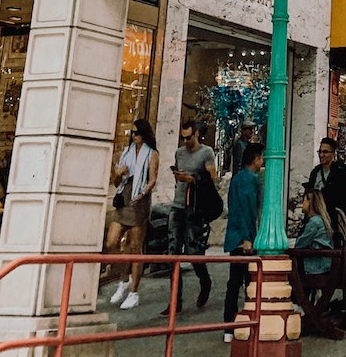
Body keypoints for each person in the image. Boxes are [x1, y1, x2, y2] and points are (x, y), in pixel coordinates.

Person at [107, 118, 160, 310]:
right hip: (124, 195)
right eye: (132, 133)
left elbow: (153, 179)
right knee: (112, 242)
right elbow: (115, 182)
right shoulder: (126, 154)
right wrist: (119, 173)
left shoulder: (152, 154)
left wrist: (143, 193)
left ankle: (133, 291)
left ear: (144, 134)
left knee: (135, 246)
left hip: (139, 199)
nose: (133, 136)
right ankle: (123, 278)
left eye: (136, 133)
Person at [169, 120, 217, 309]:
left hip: (195, 208)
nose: (186, 141)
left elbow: (211, 178)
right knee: (173, 254)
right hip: (178, 204)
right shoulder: (179, 153)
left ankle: (204, 281)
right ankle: (174, 301)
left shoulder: (206, 152)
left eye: (189, 137)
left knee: (194, 252)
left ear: (196, 135)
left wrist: (191, 178)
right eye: (183, 138)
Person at [222, 141, 264, 340]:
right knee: (249, 283)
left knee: (234, 283)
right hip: (245, 237)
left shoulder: (238, 178)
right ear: (255, 159)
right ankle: (247, 323)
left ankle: (229, 327)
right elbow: (248, 209)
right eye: (261, 158)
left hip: (234, 235)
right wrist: (249, 237)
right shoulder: (251, 179)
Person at [306, 136, 346, 237]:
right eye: (320, 152)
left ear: (333, 154)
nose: (321, 155)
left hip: (333, 213)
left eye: (325, 152)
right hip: (315, 211)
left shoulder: (339, 172)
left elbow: (344, 197)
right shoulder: (315, 172)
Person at [291, 188, 334, 277]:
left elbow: (300, 244)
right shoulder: (322, 220)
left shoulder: (314, 222)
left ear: (310, 202)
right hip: (324, 263)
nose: (303, 204)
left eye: (304, 201)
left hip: (315, 266)